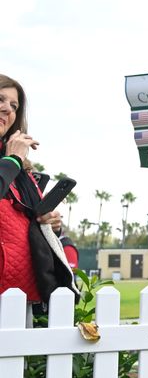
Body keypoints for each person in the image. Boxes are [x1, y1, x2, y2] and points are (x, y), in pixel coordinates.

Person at [0, 74, 73, 305]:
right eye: (0, 100)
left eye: (14, 106)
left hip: (23, 294)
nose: (7, 110)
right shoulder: (12, 162)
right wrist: (12, 160)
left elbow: (31, 222)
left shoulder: (19, 168)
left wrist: (49, 222)